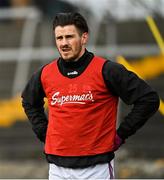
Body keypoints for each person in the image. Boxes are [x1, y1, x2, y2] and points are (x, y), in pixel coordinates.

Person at [21, 12, 160, 179]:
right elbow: (29, 102)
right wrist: (45, 133)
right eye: (59, 38)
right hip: (57, 169)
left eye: (69, 37)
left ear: (84, 37)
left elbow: (148, 99)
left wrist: (121, 134)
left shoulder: (107, 70)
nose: (64, 43)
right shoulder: (45, 73)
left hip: (96, 168)